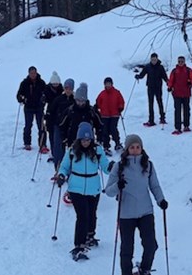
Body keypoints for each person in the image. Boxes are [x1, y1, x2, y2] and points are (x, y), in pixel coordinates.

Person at [104, 134, 168, 275]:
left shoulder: (148, 165)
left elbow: (155, 186)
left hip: (146, 211)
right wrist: (118, 186)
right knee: (127, 249)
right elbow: (108, 191)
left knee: (151, 245)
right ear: (127, 149)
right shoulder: (119, 167)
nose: (135, 150)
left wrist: (161, 200)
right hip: (126, 213)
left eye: (138, 147)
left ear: (141, 148)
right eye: (132, 147)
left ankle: (145, 269)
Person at [56, 122, 110, 261]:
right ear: (79, 139)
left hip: (93, 187)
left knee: (92, 213)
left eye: (88, 139)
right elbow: (64, 166)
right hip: (76, 188)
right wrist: (61, 175)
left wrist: (114, 167)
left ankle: (90, 235)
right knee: (82, 215)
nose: (86, 142)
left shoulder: (98, 150)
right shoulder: (72, 151)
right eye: (83, 140)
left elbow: (105, 166)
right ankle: (79, 245)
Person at [59, 82, 103, 148]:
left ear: (85, 100)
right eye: (78, 100)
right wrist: (64, 137)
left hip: (88, 141)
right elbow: (62, 124)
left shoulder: (91, 111)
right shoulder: (70, 110)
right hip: (73, 140)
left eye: (82, 101)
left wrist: (99, 137)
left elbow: (99, 124)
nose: (80, 103)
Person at [47, 78, 75, 170]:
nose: (68, 90)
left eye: (70, 88)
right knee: (58, 147)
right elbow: (51, 111)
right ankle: (58, 167)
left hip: (70, 128)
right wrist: (48, 122)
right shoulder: (58, 99)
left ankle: (71, 168)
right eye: (66, 88)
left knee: (72, 148)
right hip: (58, 126)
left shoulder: (75, 100)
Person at [16, 66, 46, 150]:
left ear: (37, 73)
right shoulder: (24, 83)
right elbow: (18, 95)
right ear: (29, 73)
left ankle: (42, 144)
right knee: (28, 126)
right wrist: (21, 98)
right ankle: (27, 143)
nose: (33, 75)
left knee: (41, 126)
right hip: (28, 107)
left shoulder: (41, 82)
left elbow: (46, 93)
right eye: (31, 73)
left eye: (34, 73)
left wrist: (44, 99)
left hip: (39, 107)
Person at [135, 53, 168, 126]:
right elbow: (142, 75)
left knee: (159, 102)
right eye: (152, 60)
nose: (154, 61)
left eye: (155, 60)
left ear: (157, 59)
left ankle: (162, 118)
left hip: (158, 87)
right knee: (151, 103)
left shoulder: (160, 67)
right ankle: (151, 120)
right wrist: (138, 76)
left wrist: (168, 82)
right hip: (150, 87)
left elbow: (164, 76)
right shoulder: (147, 67)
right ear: (150, 59)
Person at [167, 56, 192, 135]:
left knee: (187, 110)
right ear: (177, 62)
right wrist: (169, 87)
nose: (180, 63)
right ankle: (178, 128)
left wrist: (191, 83)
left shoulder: (188, 70)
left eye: (182, 61)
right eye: (179, 61)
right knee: (177, 111)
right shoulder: (174, 71)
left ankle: (186, 126)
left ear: (184, 62)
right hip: (176, 94)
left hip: (186, 93)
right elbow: (171, 80)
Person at [95, 77, 125, 155]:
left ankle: (117, 143)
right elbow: (98, 101)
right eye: (106, 84)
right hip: (105, 115)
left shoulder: (116, 92)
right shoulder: (102, 93)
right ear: (104, 84)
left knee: (113, 129)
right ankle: (106, 146)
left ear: (112, 84)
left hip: (114, 114)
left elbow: (121, 101)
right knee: (105, 130)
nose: (108, 85)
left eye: (109, 83)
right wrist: (97, 107)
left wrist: (120, 107)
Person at [43, 71, 64, 157]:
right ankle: (53, 153)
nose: (55, 85)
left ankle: (60, 153)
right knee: (51, 135)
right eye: (54, 84)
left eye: (57, 84)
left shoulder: (62, 90)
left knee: (59, 136)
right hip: (50, 115)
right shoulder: (47, 90)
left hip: (60, 115)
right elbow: (43, 101)